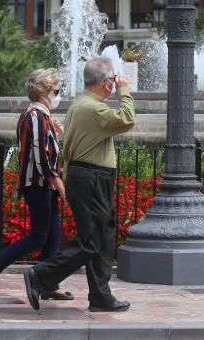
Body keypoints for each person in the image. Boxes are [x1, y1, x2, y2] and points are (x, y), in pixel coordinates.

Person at [22, 57, 136, 313]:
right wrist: (124, 90)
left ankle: (100, 296)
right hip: (91, 178)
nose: (115, 83)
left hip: (90, 177)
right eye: (113, 80)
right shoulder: (92, 108)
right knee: (92, 241)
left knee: (102, 239)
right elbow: (128, 118)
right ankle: (40, 276)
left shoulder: (85, 104)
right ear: (107, 83)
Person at [0, 68, 71, 300]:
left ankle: (48, 282)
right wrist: (58, 182)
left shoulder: (42, 117)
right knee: (39, 236)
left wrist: (57, 134)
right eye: (56, 90)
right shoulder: (35, 117)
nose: (58, 94)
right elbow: (39, 156)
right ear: (44, 92)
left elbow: (47, 150)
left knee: (53, 235)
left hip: (43, 184)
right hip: (39, 184)